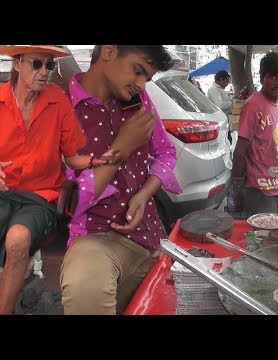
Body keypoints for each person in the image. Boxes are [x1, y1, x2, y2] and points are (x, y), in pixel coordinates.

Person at [60, 45, 182, 315]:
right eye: (138, 71)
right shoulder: (61, 109)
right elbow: (71, 201)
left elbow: (166, 152)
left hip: (150, 237)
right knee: (86, 289)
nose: (141, 84)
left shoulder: (139, 101)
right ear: (109, 51)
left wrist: (143, 195)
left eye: (147, 79)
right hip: (95, 238)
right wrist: (121, 149)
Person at [0, 45, 91, 315]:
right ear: (17, 64)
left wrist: (103, 160)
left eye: (49, 66)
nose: (44, 72)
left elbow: (74, 157)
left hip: (40, 197)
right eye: (37, 64)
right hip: (4, 193)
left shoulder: (58, 100)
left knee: (18, 239)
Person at [230, 52, 278, 217]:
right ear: (262, 78)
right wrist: (236, 189)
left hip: (274, 183)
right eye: (273, 76)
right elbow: (240, 151)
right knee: (264, 238)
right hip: (259, 189)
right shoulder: (254, 105)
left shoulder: (275, 105)